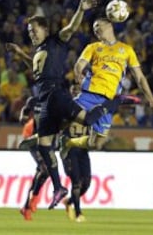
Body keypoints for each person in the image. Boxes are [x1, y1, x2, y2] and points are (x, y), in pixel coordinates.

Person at [6, 0, 139, 209]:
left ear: (45, 30)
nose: (31, 34)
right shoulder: (40, 51)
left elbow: (70, 28)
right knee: (44, 146)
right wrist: (19, 53)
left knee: (85, 120)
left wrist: (80, 10)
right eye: (29, 31)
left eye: (34, 30)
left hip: (57, 95)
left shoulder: (54, 42)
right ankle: (58, 188)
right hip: (45, 98)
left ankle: (116, 101)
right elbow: (35, 69)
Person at [59, 17, 153, 159]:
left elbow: (140, 77)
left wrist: (152, 100)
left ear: (109, 25)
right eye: (94, 27)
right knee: (63, 116)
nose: (95, 29)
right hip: (89, 93)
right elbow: (79, 63)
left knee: (97, 144)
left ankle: (69, 143)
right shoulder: (93, 47)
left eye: (98, 25)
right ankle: (39, 139)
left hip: (108, 102)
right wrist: (78, 72)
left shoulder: (127, 50)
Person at [61, 84, 91, 223]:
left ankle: (69, 202)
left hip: (83, 149)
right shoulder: (66, 109)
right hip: (71, 148)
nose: (76, 94)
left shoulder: (88, 109)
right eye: (74, 91)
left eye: (78, 91)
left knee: (87, 182)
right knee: (77, 182)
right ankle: (78, 213)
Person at [19, 95, 49, 221]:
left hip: (45, 138)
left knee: (43, 172)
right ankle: (33, 200)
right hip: (31, 137)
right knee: (44, 168)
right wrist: (25, 119)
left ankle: (27, 206)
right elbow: (24, 112)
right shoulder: (34, 100)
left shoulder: (53, 100)